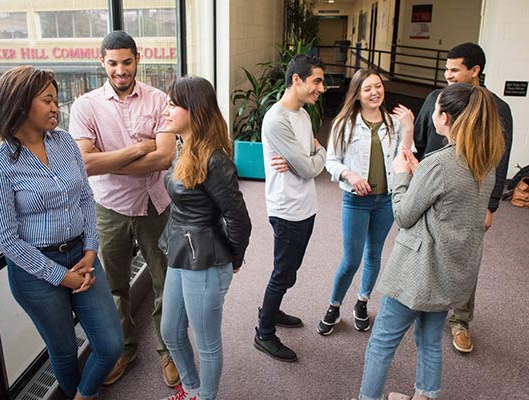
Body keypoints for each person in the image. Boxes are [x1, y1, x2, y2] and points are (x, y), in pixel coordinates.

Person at [0, 66, 124, 399]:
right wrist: (62, 277)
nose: (55, 107)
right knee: (62, 352)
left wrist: (90, 250)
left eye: (56, 100)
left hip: (82, 256)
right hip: (36, 272)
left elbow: (87, 199)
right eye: (47, 100)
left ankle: (83, 396)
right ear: (20, 103)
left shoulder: (64, 143)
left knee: (110, 344)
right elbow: (7, 239)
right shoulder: (0, 165)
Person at [358, 83, 505, 400]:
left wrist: (402, 175)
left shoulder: (439, 164)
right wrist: (420, 173)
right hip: (450, 272)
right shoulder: (485, 162)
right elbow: (450, 206)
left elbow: (404, 215)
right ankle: (425, 396)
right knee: (429, 340)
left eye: (437, 109)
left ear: (446, 118)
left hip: (416, 274)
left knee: (382, 341)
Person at [68, 31, 179, 386]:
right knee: (114, 286)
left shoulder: (159, 99)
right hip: (110, 207)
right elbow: (84, 164)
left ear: (137, 59)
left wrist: (109, 159)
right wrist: (137, 150)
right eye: (113, 63)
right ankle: (125, 349)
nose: (120, 70)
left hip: (155, 204)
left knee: (166, 281)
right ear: (102, 62)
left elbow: (164, 157)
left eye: (127, 62)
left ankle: (167, 349)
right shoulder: (86, 106)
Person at [414, 42, 513, 354]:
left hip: (471, 197)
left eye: (454, 70)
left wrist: (491, 205)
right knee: (422, 249)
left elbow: (501, 159)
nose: (448, 75)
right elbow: (420, 139)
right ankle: (421, 306)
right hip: (430, 188)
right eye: (446, 69)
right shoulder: (434, 99)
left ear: (475, 71)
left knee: (466, 257)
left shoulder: (497, 109)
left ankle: (460, 319)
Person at [157, 76, 252, 400]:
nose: (165, 110)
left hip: (206, 261)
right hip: (180, 252)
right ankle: (193, 389)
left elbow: (239, 219)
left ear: (193, 110)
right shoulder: (184, 147)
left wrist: (235, 260)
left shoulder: (215, 160)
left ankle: (206, 397)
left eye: (172, 104)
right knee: (170, 331)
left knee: (207, 342)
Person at [318, 69, 414, 336]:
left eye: (379, 86)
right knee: (351, 259)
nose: (375, 92)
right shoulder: (343, 124)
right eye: (368, 88)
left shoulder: (393, 123)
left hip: (386, 200)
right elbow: (331, 161)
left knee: (374, 255)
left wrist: (409, 129)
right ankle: (333, 307)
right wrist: (349, 174)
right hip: (355, 201)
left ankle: (362, 302)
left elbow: (405, 159)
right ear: (357, 94)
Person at [255, 54, 327, 362]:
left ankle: (272, 308)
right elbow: (310, 167)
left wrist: (310, 158)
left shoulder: (303, 114)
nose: (321, 89)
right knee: (283, 272)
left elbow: (308, 163)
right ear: (296, 80)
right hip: (286, 210)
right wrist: (318, 152)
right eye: (317, 81)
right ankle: (264, 333)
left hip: (305, 205)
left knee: (290, 271)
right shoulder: (276, 119)